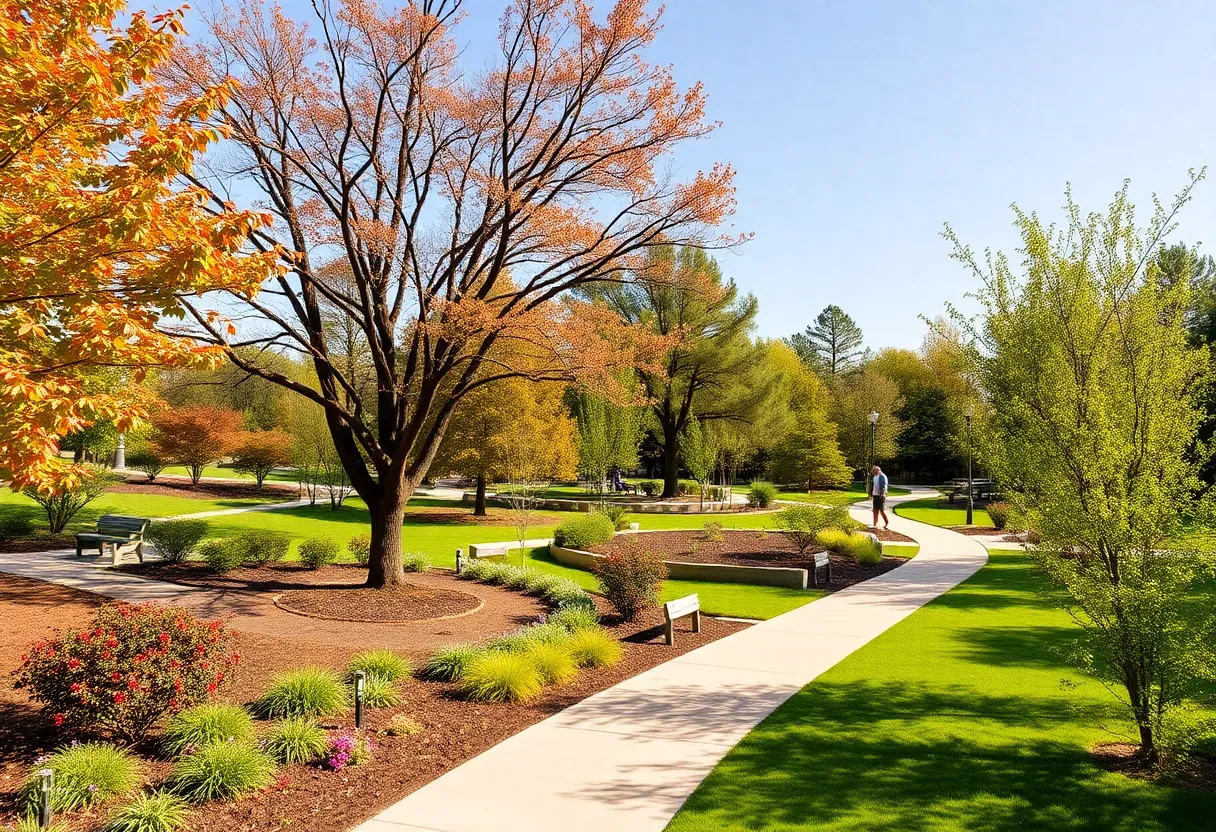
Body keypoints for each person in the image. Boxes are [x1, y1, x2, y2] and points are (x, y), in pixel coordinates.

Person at [871, 465, 889, 529]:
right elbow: (873, 486)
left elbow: (885, 486)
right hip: (875, 495)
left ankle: (887, 523)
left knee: (882, 511)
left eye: (875, 471)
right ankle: (874, 524)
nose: (874, 472)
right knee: (875, 510)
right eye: (873, 471)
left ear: (878, 470)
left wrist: (883, 494)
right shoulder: (874, 477)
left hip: (881, 496)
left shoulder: (882, 476)